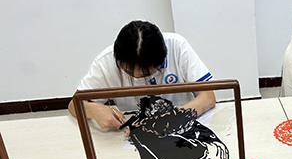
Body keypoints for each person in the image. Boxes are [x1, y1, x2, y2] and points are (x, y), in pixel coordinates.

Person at [67, 21, 216, 130]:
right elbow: (73, 105)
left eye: (147, 73)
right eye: (129, 72)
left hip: (183, 125)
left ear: (162, 59)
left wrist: (172, 119)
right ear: (118, 60)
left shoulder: (177, 46)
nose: (137, 77)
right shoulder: (105, 62)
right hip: (133, 131)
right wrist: (93, 110)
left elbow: (208, 97)